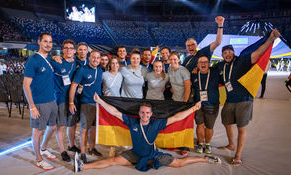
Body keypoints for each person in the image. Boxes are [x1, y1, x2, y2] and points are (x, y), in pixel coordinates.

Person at [74, 94, 221, 172]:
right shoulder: (132, 122)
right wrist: (100, 101)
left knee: (179, 164)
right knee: (111, 161)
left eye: (147, 113)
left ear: (151, 114)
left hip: (152, 156)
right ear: (139, 113)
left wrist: (194, 109)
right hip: (135, 154)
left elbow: (177, 117)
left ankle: (206, 159)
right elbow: (115, 111)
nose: (144, 115)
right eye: (142, 112)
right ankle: (82, 167)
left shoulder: (156, 123)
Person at [216, 29, 280, 166]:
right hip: (230, 100)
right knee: (226, 122)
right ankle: (231, 145)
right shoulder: (220, 66)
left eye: (229, 52)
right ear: (222, 55)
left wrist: (270, 40)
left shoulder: (242, 61)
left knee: (241, 128)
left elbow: (258, 53)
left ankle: (238, 155)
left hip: (244, 100)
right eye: (224, 52)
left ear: (233, 52)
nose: (227, 54)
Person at [23, 32, 58, 170]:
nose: (48, 44)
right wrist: (32, 107)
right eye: (45, 41)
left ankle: (43, 149)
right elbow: (26, 85)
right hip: (39, 102)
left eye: (50, 42)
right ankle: (39, 159)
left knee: (53, 127)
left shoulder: (48, 59)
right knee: (38, 132)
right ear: (39, 42)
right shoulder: (33, 60)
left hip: (51, 100)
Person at [69, 50, 103, 163]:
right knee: (84, 129)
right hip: (86, 104)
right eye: (93, 57)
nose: (95, 60)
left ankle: (91, 148)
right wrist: (71, 102)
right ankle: (83, 152)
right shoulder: (82, 70)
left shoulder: (100, 70)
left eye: (98, 58)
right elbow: (74, 86)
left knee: (94, 128)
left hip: (97, 104)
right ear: (89, 58)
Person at [50, 39, 77, 162]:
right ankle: (62, 151)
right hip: (61, 98)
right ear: (63, 50)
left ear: (74, 50)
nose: (68, 50)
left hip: (73, 99)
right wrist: (53, 56)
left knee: (71, 125)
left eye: (71, 48)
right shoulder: (56, 62)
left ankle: (71, 145)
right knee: (60, 126)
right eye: (66, 48)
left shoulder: (77, 64)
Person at [191, 55, 221, 154]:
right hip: (198, 105)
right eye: (200, 62)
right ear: (197, 65)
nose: (203, 64)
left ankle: (207, 144)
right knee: (199, 125)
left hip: (212, 105)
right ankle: (200, 143)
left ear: (209, 64)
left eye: (205, 62)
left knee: (209, 127)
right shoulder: (194, 75)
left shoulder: (215, 73)